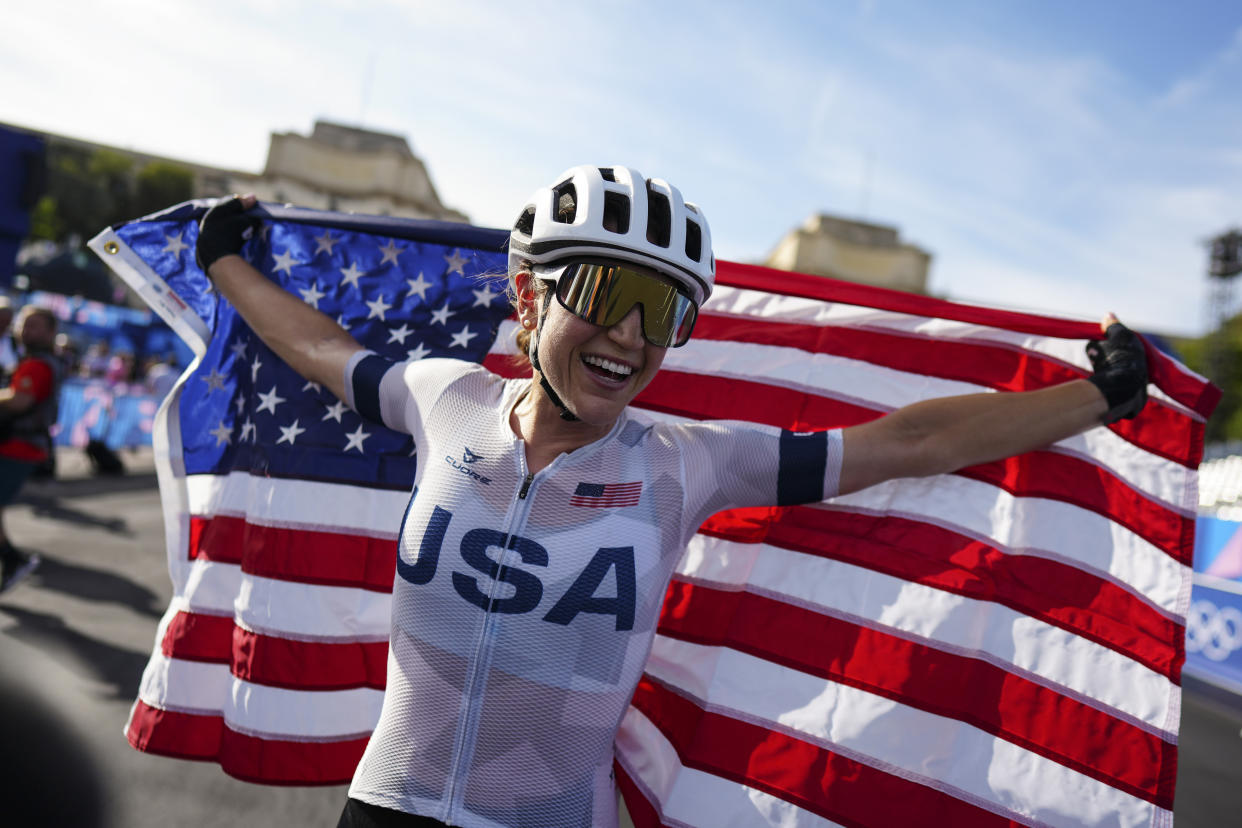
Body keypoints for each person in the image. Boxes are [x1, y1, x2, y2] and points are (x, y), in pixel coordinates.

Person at [195, 167, 1147, 828]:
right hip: (387, 806)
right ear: (529, 300)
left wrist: (1096, 395)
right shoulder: (447, 398)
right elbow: (323, 351)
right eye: (609, 291)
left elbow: (914, 441)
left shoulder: (689, 464)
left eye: (667, 313)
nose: (634, 336)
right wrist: (228, 264)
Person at [0, 305, 62, 593]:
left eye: (35, 326)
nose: (27, 331)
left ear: (51, 332)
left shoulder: (38, 365)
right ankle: (12, 560)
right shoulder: (34, 360)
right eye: (24, 325)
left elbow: (19, 402)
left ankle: (13, 560)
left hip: (19, 447)